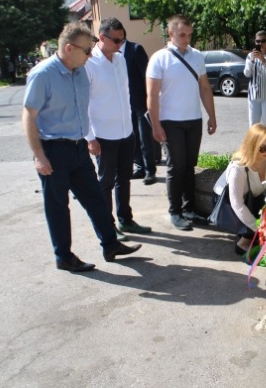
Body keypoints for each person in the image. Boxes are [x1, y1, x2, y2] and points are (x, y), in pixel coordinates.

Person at [22, 22, 141, 272]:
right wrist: (39, 156)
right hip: (53, 150)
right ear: (68, 48)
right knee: (58, 206)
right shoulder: (43, 74)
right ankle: (63, 256)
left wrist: (89, 138)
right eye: (87, 50)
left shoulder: (80, 71)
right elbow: (29, 117)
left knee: (96, 198)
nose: (90, 55)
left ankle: (110, 245)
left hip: (78, 148)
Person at [146, 14, 218, 231]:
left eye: (189, 34)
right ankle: (174, 211)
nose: (187, 38)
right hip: (170, 121)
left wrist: (211, 116)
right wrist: (156, 125)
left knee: (189, 166)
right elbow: (151, 94)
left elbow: (205, 88)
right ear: (171, 33)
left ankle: (189, 209)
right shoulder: (159, 58)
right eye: (182, 34)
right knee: (175, 167)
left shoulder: (197, 56)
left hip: (193, 120)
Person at [86, 18, 152, 241]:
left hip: (126, 132)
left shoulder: (120, 59)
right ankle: (108, 225)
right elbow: (82, 103)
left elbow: (125, 94)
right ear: (102, 37)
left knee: (124, 178)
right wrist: (89, 137)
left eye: (122, 40)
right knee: (105, 182)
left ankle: (126, 219)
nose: (120, 44)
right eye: (115, 40)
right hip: (103, 135)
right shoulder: (89, 64)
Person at [213, 124, 266, 255]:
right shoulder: (238, 168)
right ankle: (243, 244)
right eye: (263, 148)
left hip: (251, 197)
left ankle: (251, 235)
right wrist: (258, 228)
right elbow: (237, 204)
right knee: (258, 217)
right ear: (252, 147)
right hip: (227, 202)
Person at [120, 30, 157, 185]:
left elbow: (147, 76)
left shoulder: (135, 50)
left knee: (144, 138)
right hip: (126, 104)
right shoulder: (113, 55)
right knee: (133, 137)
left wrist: (150, 101)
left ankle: (150, 170)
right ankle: (140, 167)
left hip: (141, 103)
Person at [243, 30, 266, 128]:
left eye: (263, 41)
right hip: (253, 96)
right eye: (258, 41)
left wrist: (263, 60)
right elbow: (247, 74)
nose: (260, 44)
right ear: (255, 42)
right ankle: (255, 144)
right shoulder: (250, 56)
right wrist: (252, 61)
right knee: (253, 125)